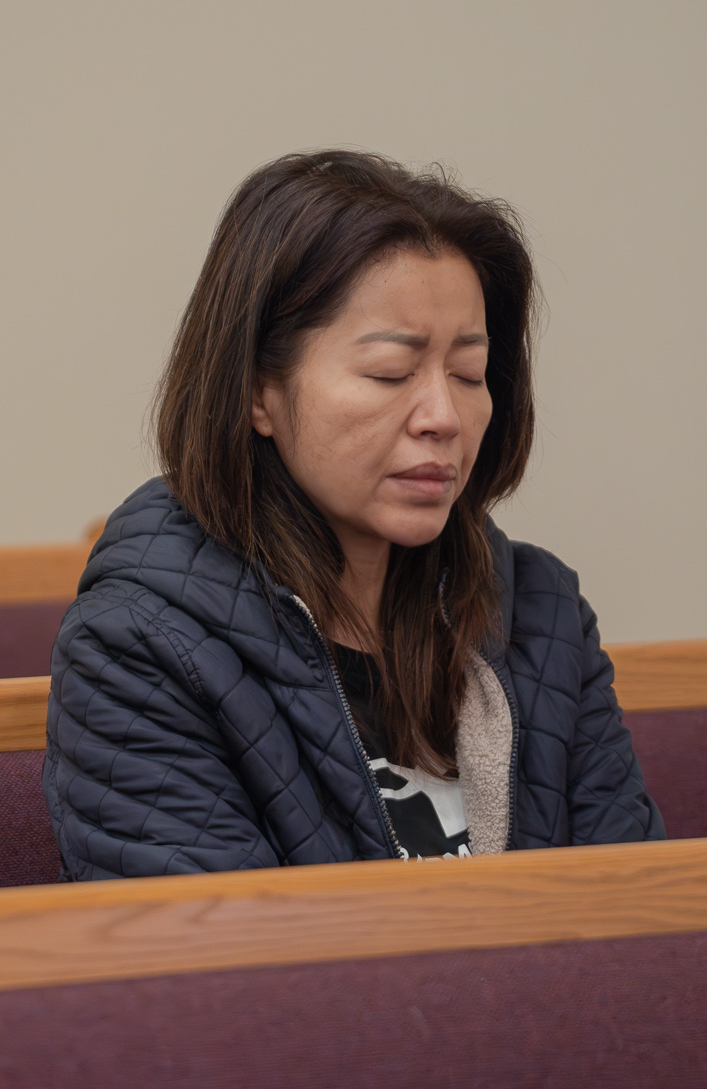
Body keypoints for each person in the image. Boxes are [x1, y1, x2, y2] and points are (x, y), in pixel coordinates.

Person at [46, 151, 663, 878]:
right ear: (259, 391)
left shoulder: (539, 616)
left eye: (468, 373)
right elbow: (218, 949)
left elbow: (641, 917)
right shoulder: (140, 649)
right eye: (390, 373)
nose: (443, 416)